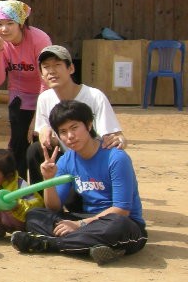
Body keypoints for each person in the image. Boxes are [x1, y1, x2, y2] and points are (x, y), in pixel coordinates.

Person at [13, 100, 147, 264]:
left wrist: (79, 225)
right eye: (63, 131)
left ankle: (47, 244)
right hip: (87, 220)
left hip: (121, 224)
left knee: (117, 225)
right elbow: (53, 207)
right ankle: (91, 246)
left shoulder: (116, 158)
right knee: (35, 215)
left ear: (89, 125)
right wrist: (48, 180)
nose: (70, 136)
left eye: (74, 128)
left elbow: (122, 210)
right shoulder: (67, 159)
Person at [28, 45, 124, 184]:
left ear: (71, 68)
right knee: (35, 150)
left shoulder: (94, 96)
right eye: (46, 66)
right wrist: (45, 134)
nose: (52, 71)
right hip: (66, 160)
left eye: (57, 65)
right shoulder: (44, 98)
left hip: (91, 159)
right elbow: (51, 139)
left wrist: (119, 140)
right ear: (41, 74)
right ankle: (41, 201)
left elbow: (114, 136)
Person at [0, 1, 51, 178]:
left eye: (10, 23)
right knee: (18, 144)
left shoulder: (40, 39)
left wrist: (38, 118)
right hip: (19, 95)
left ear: (21, 23)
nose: (4, 29)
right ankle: (19, 191)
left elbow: (46, 79)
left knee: (40, 144)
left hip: (43, 94)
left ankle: (42, 194)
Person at [0, 148, 40, 238]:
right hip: (6, 219)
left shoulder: (21, 185)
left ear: (8, 175)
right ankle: (0, 230)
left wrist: (18, 205)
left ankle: (24, 232)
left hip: (21, 220)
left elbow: (37, 203)